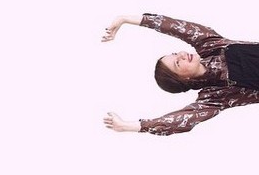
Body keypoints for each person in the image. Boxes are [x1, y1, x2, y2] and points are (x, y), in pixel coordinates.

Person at [101, 13, 259, 136]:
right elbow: (177, 121)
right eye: (177, 63)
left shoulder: (212, 46)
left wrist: (125, 19)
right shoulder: (215, 96)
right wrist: (127, 126)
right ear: (184, 80)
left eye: (176, 54)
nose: (182, 55)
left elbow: (174, 26)